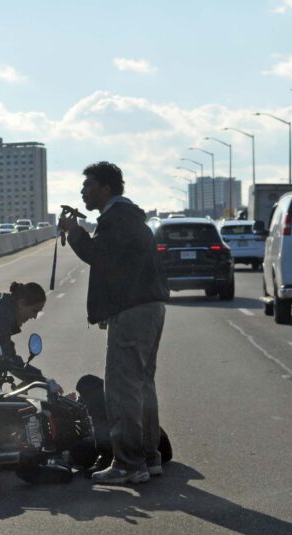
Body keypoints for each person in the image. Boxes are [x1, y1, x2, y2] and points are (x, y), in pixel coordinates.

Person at [58, 161, 169, 485]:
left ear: (106, 188)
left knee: (122, 390)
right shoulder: (129, 216)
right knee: (142, 386)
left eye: (89, 185)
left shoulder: (116, 219)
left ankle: (128, 464)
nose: (83, 191)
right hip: (148, 308)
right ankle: (149, 457)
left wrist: (74, 232)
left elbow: (101, 258)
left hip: (133, 313)